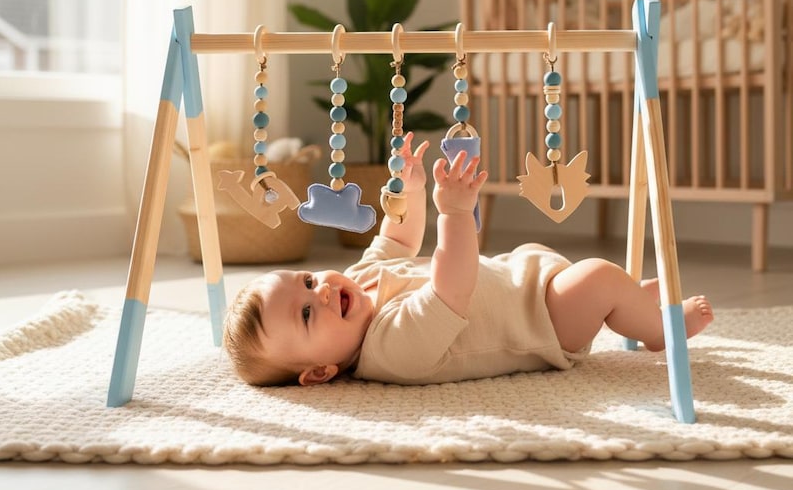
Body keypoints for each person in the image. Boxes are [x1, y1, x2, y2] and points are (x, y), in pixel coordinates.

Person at [223, 133, 714, 387]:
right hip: (542, 325)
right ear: (321, 372)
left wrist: (411, 191)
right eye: (307, 312)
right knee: (598, 278)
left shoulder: (358, 281)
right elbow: (449, 288)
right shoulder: (391, 351)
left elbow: (396, 239)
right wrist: (455, 213)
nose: (323, 291)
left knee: (558, 265)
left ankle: (626, 308)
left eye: (307, 281)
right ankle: (657, 330)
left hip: (521, 278)